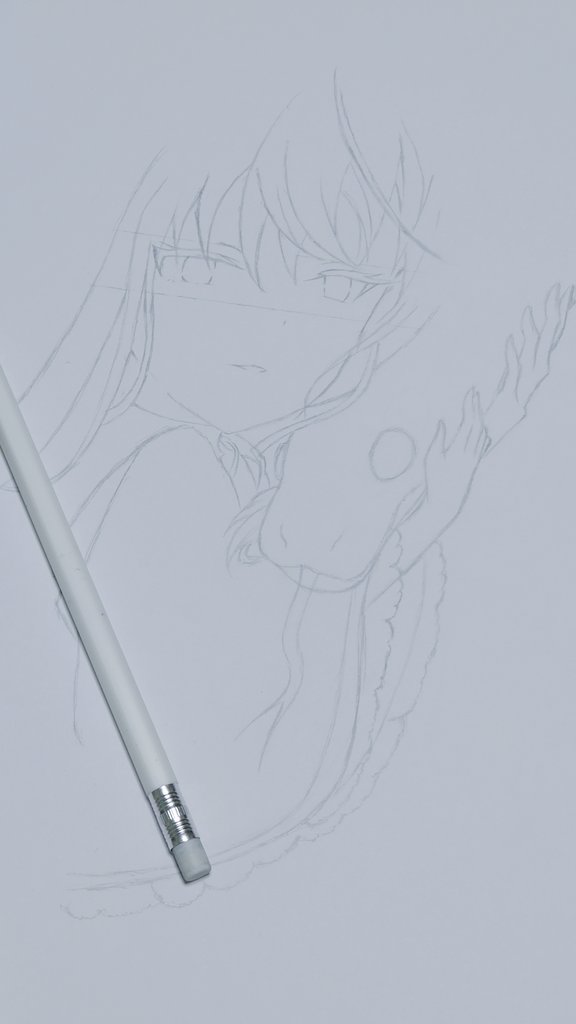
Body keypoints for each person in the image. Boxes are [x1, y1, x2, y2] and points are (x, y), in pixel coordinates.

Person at [12, 84, 573, 913]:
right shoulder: (174, 466)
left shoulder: (275, 474)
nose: (260, 325)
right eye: (203, 266)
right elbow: (280, 775)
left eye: (337, 283)